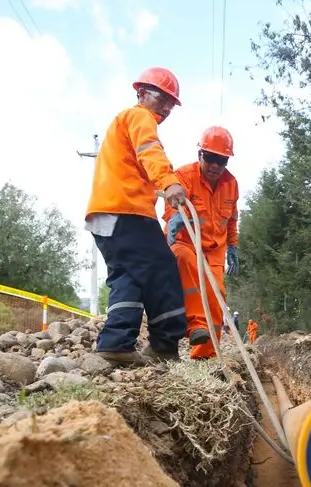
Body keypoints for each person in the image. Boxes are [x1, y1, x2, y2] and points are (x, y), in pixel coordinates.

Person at [84, 66, 189, 366]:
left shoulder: (124, 123)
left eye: (171, 103)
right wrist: (169, 182)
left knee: (128, 276)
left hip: (106, 214)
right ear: (142, 93)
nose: (167, 107)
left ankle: (116, 343)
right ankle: (165, 346)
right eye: (162, 98)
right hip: (126, 211)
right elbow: (150, 151)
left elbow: (138, 162)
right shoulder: (139, 116)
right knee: (163, 269)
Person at [163, 126, 240, 359]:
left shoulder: (231, 184)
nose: (215, 165)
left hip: (214, 250)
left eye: (222, 160)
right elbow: (169, 204)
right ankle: (196, 324)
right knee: (184, 260)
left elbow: (232, 218)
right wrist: (174, 217)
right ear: (200, 155)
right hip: (186, 242)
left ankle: (205, 356)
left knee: (217, 298)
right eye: (210, 158)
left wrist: (233, 246)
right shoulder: (184, 176)